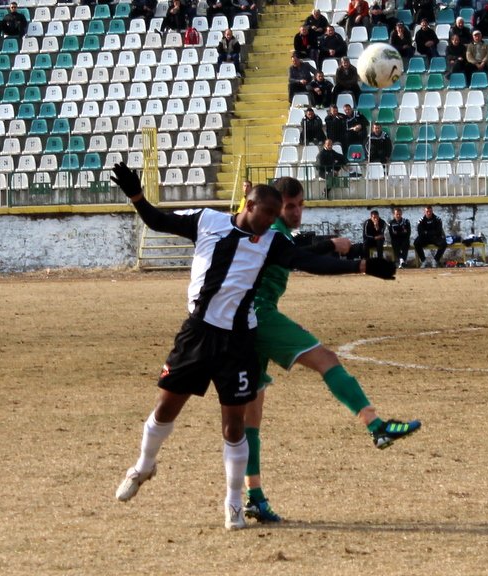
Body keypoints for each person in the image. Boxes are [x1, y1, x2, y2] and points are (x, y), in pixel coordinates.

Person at [110, 164, 398, 530]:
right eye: (265, 216)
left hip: (239, 341)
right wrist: (137, 196)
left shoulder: (271, 242)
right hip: (197, 335)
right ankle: (143, 467)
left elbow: (309, 261)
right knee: (165, 409)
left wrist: (361, 265)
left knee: (235, 425)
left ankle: (233, 504)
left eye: (274, 218)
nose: (268, 225)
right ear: (248, 205)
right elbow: (156, 221)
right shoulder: (207, 221)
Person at [243, 176, 419, 523]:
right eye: (290, 205)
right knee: (327, 360)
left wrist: (328, 246)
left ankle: (255, 497)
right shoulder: (274, 232)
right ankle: (375, 425)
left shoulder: (272, 231)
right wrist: (358, 264)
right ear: (275, 206)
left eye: (300, 204)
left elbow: (297, 255)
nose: (296, 211)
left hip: (244, 320)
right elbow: (306, 261)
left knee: (251, 417)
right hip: (260, 314)